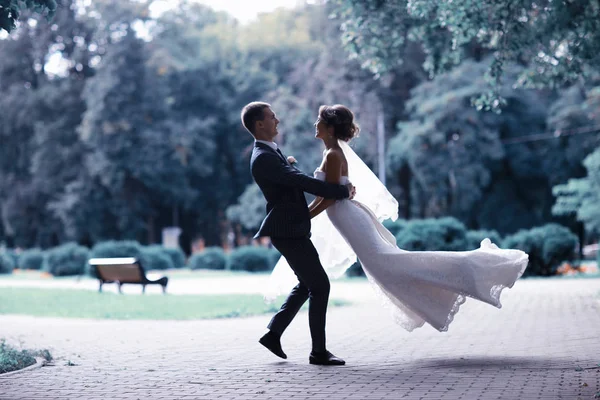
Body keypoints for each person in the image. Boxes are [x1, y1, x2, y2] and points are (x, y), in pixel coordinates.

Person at [266, 104, 529, 334]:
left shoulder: (334, 155)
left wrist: (305, 216)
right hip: (345, 216)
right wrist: (306, 213)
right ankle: (450, 282)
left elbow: (330, 197)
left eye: (320, 120)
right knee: (386, 265)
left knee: (387, 263)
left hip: (347, 216)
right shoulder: (330, 154)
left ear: (331, 129)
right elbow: (327, 194)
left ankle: (470, 268)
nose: (316, 124)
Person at [241, 101, 355, 366]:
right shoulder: (263, 157)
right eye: (272, 117)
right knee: (320, 285)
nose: (277, 120)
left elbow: (292, 177)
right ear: (260, 124)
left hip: (292, 228)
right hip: (287, 230)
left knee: (308, 284)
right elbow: (299, 181)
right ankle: (318, 352)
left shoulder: (271, 152)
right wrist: (340, 190)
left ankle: (273, 333)